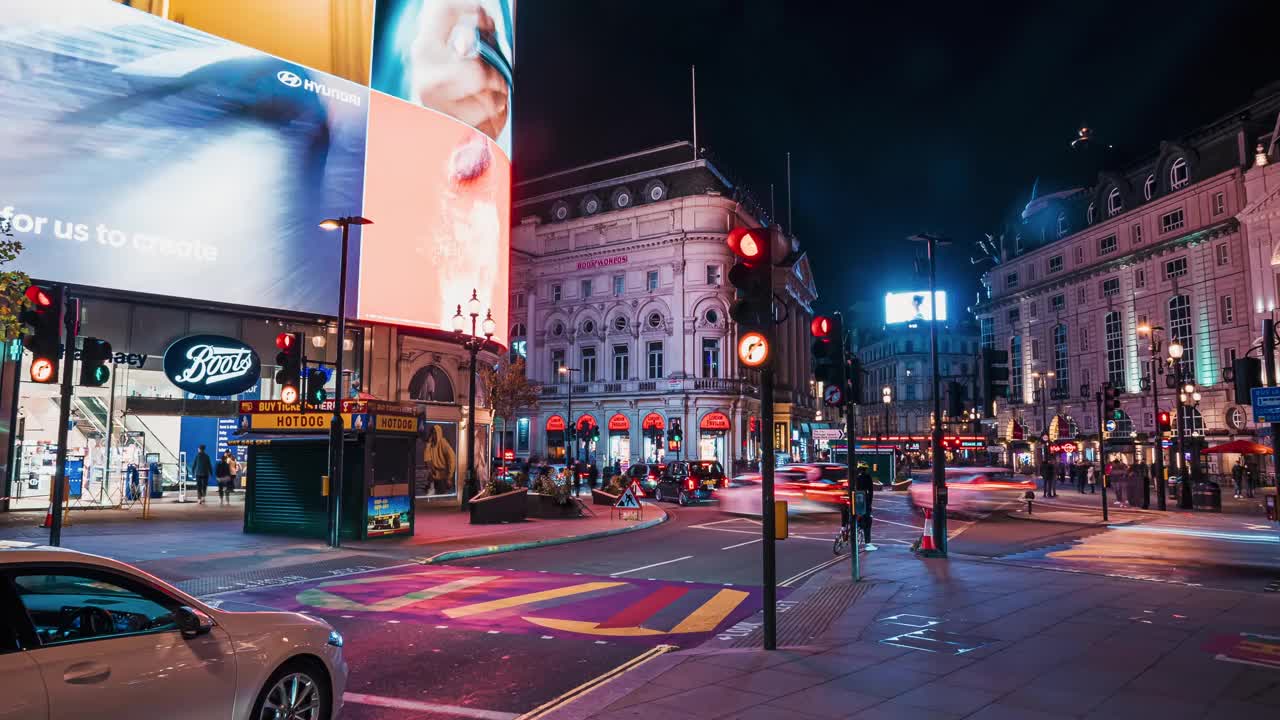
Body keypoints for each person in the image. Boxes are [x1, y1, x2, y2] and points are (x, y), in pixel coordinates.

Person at [854, 466, 876, 551]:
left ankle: (846, 529)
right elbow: (870, 491)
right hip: (864, 501)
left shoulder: (854, 476)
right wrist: (870, 503)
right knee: (867, 521)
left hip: (854, 500)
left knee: (854, 517)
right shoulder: (867, 477)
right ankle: (868, 543)